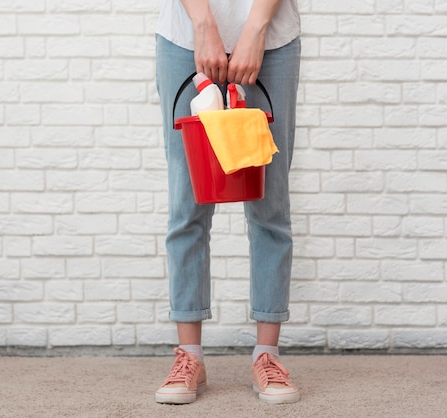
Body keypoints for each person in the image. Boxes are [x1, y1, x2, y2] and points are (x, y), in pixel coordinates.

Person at [154, 0, 301, 405]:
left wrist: (256, 27)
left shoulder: (265, 33)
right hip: (185, 39)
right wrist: (202, 22)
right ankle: (190, 356)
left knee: (270, 206)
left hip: (271, 41)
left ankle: (267, 356)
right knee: (188, 206)